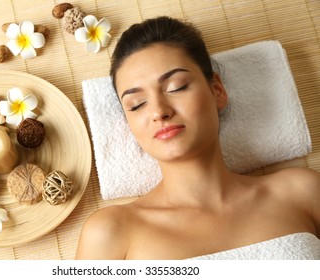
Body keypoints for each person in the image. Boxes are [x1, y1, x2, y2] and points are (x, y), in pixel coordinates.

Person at [75, 16, 320, 260]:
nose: (159, 111)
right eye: (137, 105)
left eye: (177, 87)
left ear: (217, 91)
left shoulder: (302, 193)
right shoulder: (111, 232)